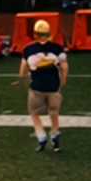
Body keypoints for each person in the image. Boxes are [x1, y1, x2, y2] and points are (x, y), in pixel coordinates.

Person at [17, 18, 67, 153]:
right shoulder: (57, 48)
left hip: (37, 87)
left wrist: (21, 79)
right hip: (53, 87)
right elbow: (64, 66)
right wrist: (62, 81)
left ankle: (41, 136)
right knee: (54, 113)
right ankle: (55, 135)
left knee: (34, 113)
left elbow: (23, 68)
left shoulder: (28, 49)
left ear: (35, 34)